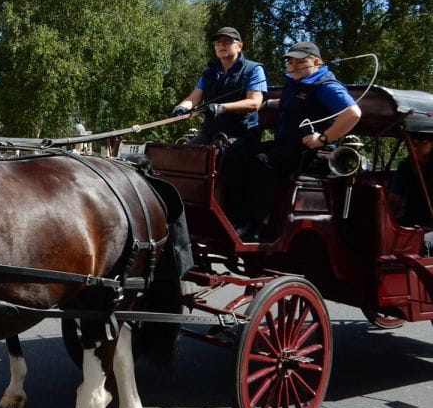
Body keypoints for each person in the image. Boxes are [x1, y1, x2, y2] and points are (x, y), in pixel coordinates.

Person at [236, 41, 361, 241]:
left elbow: (353, 113)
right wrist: (268, 103)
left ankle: (255, 227)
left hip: (313, 152)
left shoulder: (326, 86)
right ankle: (234, 215)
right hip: (288, 145)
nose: (293, 66)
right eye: (290, 62)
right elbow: (295, 102)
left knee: (262, 162)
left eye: (300, 61)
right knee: (239, 153)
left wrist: (323, 138)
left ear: (317, 62)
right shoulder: (296, 83)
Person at [172, 26, 267, 145]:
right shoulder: (209, 73)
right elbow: (194, 98)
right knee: (187, 152)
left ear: (239, 46)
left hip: (242, 134)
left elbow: (254, 103)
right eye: (218, 43)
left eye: (227, 41)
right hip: (210, 133)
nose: (221, 45)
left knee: (217, 153)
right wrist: (182, 107)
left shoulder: (254, 69)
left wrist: (222, 107)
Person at [387, 132, 433, 254]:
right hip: (411, 220)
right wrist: (389, 224)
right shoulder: (405, 168)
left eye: (421, 142)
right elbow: (394, 199)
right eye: (413, 142)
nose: (415, 146)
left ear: (431, 144)